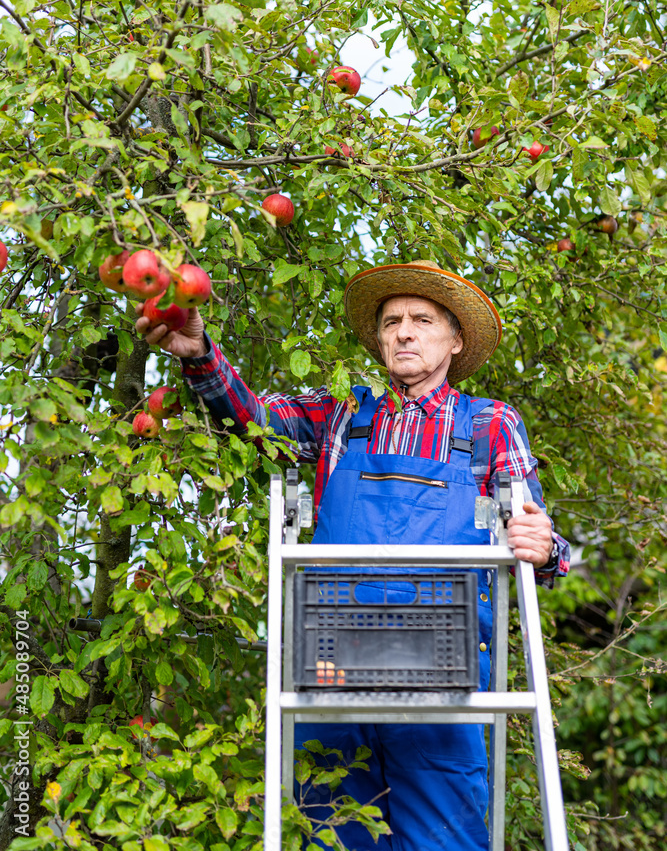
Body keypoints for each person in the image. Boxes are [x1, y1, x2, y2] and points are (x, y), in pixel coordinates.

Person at [136, 258, 570, 851]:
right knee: (332, 831)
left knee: (446, 837)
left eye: (421, 320)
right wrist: (198, 353)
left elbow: (539, 534)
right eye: (392, 322)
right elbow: (253, 417)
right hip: (334, 663)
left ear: (455, 340)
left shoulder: (490, 424)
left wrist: (543, 548)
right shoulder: (342, 413)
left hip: (448, 677)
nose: (404, 332)